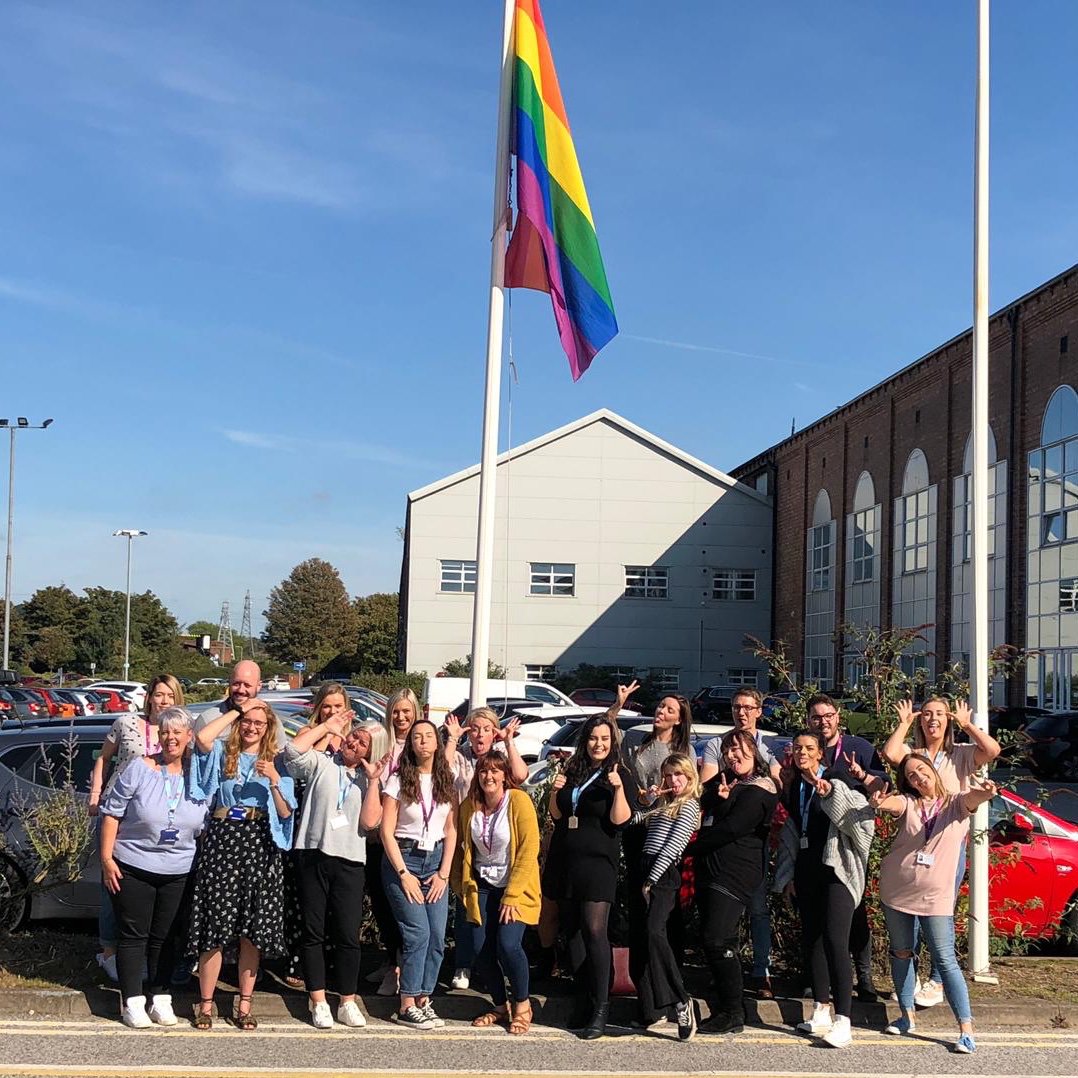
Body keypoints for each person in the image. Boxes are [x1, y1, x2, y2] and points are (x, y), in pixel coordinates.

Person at [873, 755, 998, 1054]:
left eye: (921, 770)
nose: (918, 777)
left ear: (932, 770)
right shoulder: (909, 803)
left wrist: (988, 791)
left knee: (945, 959)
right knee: (902, 953)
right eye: (911, 776)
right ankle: (906, 1016)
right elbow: (894, 805)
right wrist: (879, 802)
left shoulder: (955, 803)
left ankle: (966, 1030)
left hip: (936, 897)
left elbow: (975, 798)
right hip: (897, 889)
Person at [882, 696, 1001, 1008]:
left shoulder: (960, 754)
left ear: (948, 720)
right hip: (915, 846)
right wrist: (905, 721)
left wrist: (967, 724)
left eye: (940, 714)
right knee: (912, 916)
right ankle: (912, 979)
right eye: (927, 714)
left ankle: (937, 980)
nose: (932, 719)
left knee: (938, 914)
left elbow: (991, 751)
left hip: (948, 849)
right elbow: (892, 753)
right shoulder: (916, 756)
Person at [189, 696, 296, 1031]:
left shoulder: (275, 762)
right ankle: (206, 1004)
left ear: (268, 730)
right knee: (215, 926)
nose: (251, 728)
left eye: (259, 723)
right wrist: (239, 708)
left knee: (252, 929)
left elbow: (285, 813)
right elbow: (203, 739)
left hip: (258, 843)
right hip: (223, 839)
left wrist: (275, 782)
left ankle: (244, 1003)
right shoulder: (223, 753)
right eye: (247, 722)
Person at [99, 706, 209, 1028]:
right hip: (133, 864)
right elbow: (111, 813)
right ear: (158, 736)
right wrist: (107, 859)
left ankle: (161, 999)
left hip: (178, 869)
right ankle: (132, 1001)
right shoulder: (140, 768)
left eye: (177, 732)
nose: (170, 738)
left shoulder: (198, 776)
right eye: (165, 732)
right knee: (134, 936)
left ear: (189, 737)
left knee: (166, 936)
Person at [283, 713, 387, 1029]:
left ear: (372, 751)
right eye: (353, 737)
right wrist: (326, 728)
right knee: (313, 931)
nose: (353, 743)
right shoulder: (323, 762)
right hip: (313, 853)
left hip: (350, 861)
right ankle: (317, 1001)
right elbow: (292, 752)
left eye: (361, 743)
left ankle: (346, 1000)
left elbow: (370, 823)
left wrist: (371, 782)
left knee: (346, 935)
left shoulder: (372, 779)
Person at [773, 731, 874, 1049]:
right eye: (798, 748)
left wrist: (830, 793)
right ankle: (821, 1010)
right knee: (813, 941)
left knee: (835, 940)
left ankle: (844, 1020)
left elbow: (857, 819)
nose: (803, 752)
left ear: (820, 754)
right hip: (807, 872)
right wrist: (789, 876)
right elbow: (792, 830)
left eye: (810, 749)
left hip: (836, 873)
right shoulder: (796, 786)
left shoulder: (835, 779)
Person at [542, 713, 633, 1040]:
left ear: (612, 743)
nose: (599, 744)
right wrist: (555, 791)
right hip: (567, 858)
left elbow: (620, 821)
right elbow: (557, 814)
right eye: (594, 738)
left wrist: (619, 789)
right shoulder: (572, 769)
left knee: (596, 931)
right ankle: (582, 1000)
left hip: (598, 863)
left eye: (605, 739)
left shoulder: (618, 773)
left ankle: (601, 1007)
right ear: (586, 741)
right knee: (574, 932)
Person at [89, 674, 184, 982]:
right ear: (149, 698)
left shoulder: (180, 729)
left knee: (145, 893)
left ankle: (144, 958)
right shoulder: (126, 723)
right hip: (120, 811)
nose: (164, 700)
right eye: (158, 695)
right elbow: (104, 758)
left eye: (170, 695)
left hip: (156, 817)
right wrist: (96, 794)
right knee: (112, 883)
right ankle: (108, 953)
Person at [686, 729, 778, 1035]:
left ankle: (733, 1011)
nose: (732, 756)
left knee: (718, 938)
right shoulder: (726, 783)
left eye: (739, 750)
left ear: (755, 752)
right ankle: (726, 1006)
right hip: (711, 870)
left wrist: (689, 846)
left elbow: (732, 829)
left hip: (735, 872)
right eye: (728, 750)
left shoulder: (760, 789)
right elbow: (700, 801)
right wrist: (716, 796)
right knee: (711, 937)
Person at [616, 682, 692, 1028]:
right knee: (641, 926)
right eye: (660, 707)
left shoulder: (682, 753)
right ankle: (648, 1006)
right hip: (640, 829)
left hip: (666, 838)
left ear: (679, 720)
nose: (661, 712)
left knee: (660, 927)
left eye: (669, 710)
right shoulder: (636, 740)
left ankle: (673, 997)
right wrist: (618, 705)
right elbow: (605, 736)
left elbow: (685, 797)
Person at [805, 693, 888, 1002]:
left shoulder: (859, 749)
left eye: (828, 715)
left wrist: (862, 776)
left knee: (854, 909)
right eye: (816, 717)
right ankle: (818, 979)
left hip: (849, 841)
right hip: (814, 840)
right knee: (818, 913)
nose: (823, 721)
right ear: (808, 720)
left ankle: (864, 978)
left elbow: (883, 787)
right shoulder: (805, 750)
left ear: (838, 716)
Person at [698, 687, 780, 999]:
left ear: (759, 710)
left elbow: (776, 782)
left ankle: (762, 971)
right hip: (721, 849)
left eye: (748, 707)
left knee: (758, 910)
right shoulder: (717, 744)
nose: (741, 712)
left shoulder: (767, 747)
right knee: (716, 918)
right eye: (736, 707)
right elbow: (708, 783)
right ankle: (719, 973)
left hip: (750, 847)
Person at [451, 753, 540, 1035]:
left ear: (504, 776)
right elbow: (459, 846)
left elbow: (529, 849)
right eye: (484, 772)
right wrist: (458, 884)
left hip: (514, 886)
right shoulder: (470, 806)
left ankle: (523, 1005)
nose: (489, 777)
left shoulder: (518, 801)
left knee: (509, 944)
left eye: (495, 772)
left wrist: (512, 896)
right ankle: (500, 1006)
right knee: (480, 949)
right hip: (482, 885)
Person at [443, 706, 529, 989]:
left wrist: (509, 741)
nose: (480, 734)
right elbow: (443, 774)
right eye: (475, 728)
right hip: (463, 834)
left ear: (494, 732)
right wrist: (453, 739)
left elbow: (521, 775)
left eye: (487, 729)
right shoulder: (461, 756)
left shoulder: (501, 760)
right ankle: (463, 965)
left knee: (494, 920)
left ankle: (497, 976)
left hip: (497, 847)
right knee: (466, 907)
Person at [380, 718, 458, 1030]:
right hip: (405, 858)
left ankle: (424, 998)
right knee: (418, 933)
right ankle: (407, 1003)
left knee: (438, 936)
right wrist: (402, 873)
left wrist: (444, 873)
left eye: (428, 736)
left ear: (437, 743)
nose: (422, 741)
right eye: (417, 737)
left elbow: (451, 830)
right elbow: (386, 831)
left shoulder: (446, 779)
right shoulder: (398, 780)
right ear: (410, 744)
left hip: (436, 860)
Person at [631, 753, 701, 1042]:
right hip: (646, 866)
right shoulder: (664, 804)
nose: (673, 781)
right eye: (668, 775)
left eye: (678, 775)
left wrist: (651, 879)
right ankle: (651, 1006)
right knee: (644, 939)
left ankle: (681, 1001)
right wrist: (646, 800)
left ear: (690, 778)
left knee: (655, 933)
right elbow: (633, 819)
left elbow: (673, 847)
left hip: (662, 873)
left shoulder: (688, 806)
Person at [367, 688, 422, 997]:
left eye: (406, 711)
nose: (401, 717)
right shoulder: (382, 744)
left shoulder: (420, 745)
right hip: (377, 838)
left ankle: (400, 968)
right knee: (381, 904)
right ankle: (391, 960)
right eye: (396, 712)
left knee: (402, 907)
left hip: (405, 840)